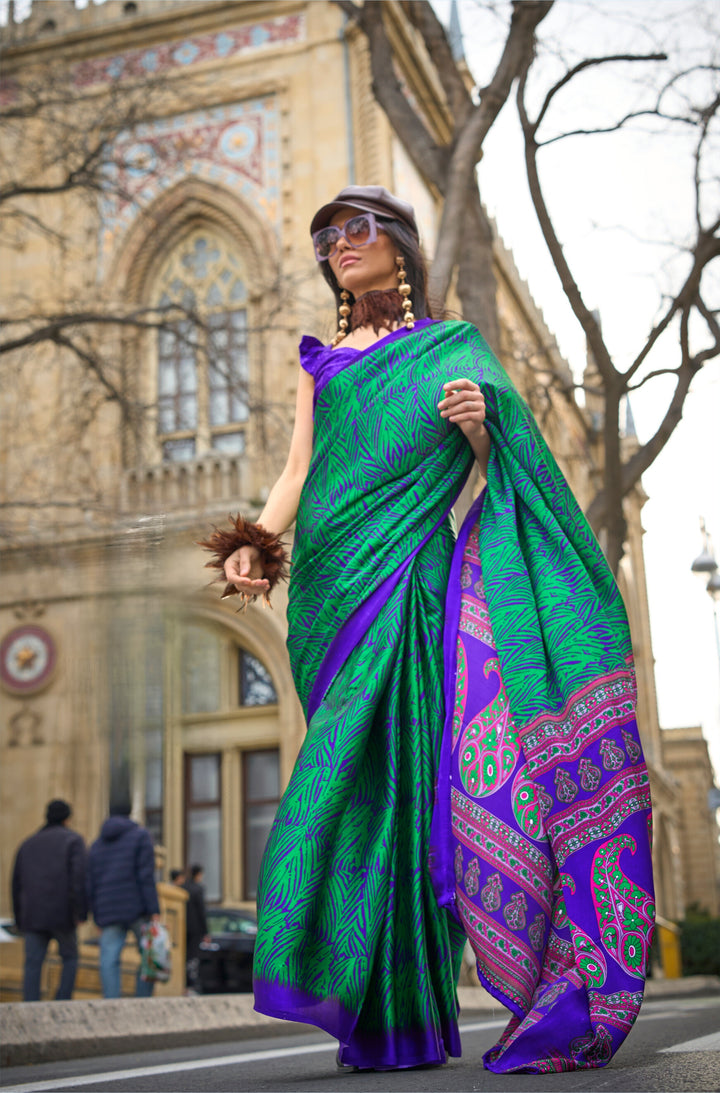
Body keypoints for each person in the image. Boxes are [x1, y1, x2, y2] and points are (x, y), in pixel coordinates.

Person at [200, 186, 655, 1073]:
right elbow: (299, 468)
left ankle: (408, 1013)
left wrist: (483, 432)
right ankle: (370, 1004)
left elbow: (501, 468)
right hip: (329, 593)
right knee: (351, 782)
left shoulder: (452, 350)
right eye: (328, 236)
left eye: (357, 230)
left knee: (415, 791)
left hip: (414, 581)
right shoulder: (321, 362)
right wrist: (255, 541)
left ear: (399, 245)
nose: (340, 246)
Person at [11, 799, 87, 1001]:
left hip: (32, 916)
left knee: (33, 963)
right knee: (70, 957)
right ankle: (61, 1002)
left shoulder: (27, 844)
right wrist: (81, 912)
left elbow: (16, 884)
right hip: (62, 914)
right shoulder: (73, 841)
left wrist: (20, 919)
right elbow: (78, 879)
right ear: (67, 819)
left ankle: (31, 1006)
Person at [87, 794, 160, 998]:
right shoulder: (141, 836)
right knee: (149, 956)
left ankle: (112, 1004)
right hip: (137, 907)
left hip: (108, 909)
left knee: (109, 959)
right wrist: (154, 909)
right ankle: (142, 1002)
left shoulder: (96, 845)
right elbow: (145, 876)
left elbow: (90, 882)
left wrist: (95, 913)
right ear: (130, 811)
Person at [183, 864, 209, 995]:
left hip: (182, 927)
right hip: (196, 928)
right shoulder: (198, 889)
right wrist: (206, 932)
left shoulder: (183, 887)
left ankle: (185, 984)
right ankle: (193, 985)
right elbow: (202, 912)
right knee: (193, 957)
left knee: (184, 956)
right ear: (198, 874)